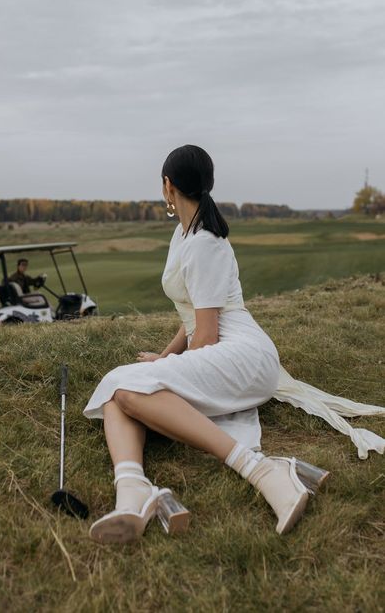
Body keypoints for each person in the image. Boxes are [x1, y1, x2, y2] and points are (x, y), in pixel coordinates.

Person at [82, 144, 324, 544]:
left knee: (125, 387)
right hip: (223, 348)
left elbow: (208, 334)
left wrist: (168, 374)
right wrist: (164, 359)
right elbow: (193, 317)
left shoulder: (204, 243)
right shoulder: (186, 234)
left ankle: (263, 470)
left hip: (242, 353)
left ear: (168, 186)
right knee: (121, 389)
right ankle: (132, 490)